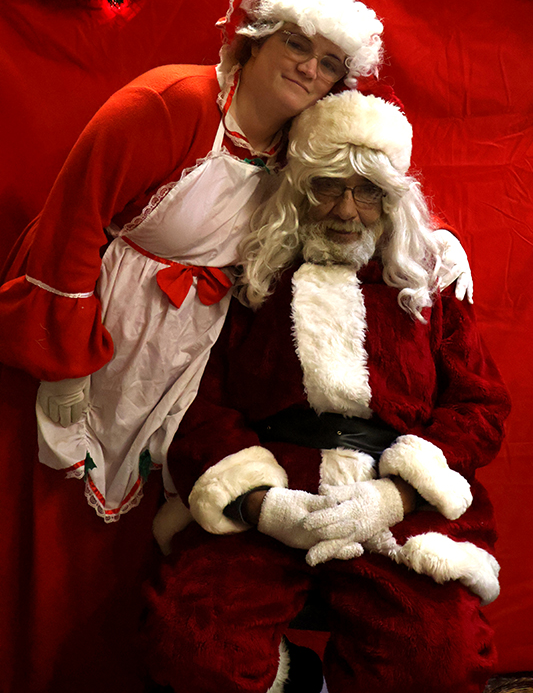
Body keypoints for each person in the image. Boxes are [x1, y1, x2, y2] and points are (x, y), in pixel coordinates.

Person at [0, 0, 471, 693]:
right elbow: (72, 223)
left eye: (328, 62)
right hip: (91, 325)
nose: (308, 68)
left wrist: (436, 241)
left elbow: (367, 175)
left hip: (184, 348)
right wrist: (62, 363)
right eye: (295, 45)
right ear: (253, 40)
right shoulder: (169, 103)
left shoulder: (297, 145)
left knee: (129, 540)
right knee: (57, 517)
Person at [145, 89, 510, 693]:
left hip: (394, 501)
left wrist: (396, 495)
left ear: (392, 199)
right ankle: (296, 680)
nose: (345, 210)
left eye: (367, 191)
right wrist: (262, 504)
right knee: (192, 650)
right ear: (298, 190)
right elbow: (194, 399)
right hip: (275, 489)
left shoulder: (430, 282)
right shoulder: (249, 274)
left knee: (437, 661)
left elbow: (479, 405)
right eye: (327, 187)